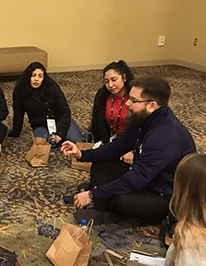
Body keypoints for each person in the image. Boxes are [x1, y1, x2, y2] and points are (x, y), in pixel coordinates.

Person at [61, 75, 196, 225]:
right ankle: (101, 203)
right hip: (149, 180)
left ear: (152, 105)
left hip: (165, 195)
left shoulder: (164, 136)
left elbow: (136, 179)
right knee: (102, 163)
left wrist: (93, 194)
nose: (127, 103)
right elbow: (116, 148)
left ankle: (108, 210)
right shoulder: (143, 119)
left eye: (133, 100)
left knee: (120, 200)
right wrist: (81, 154)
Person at [9, 61, 83, 144]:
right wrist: (15, 132)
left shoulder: (52, 86)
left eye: (40, 76)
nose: (36, 79)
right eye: (33, 75)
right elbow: (18, 112)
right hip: (40, 125)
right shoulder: (20, 90)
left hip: (59, 120)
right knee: (45, 145)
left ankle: (69, 137)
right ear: (28, 76)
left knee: (78, 142)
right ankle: (62, 140)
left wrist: (60, 133)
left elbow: (64, 110)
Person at [89, 60, 135, 165]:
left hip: (131, 140)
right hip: (111, 137)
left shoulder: (134, 95)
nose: (110, 85)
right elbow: (97, 120)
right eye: (106, 81)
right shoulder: (102, 95)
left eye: (114, 80)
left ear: (124, 77)